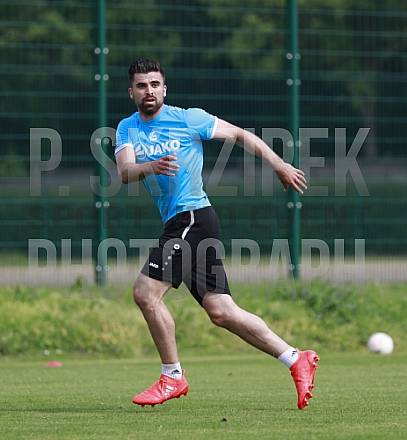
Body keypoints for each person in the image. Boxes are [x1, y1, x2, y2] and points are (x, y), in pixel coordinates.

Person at [115, 58, 319, 410]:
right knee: (221, 310)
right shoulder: (126, 128)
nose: (149, 91)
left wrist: (280, 165)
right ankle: (295, 358)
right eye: (142, 86)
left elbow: (240, 135)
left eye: (155, 84)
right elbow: (125, 172)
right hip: (183, 222)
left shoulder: (187, 119)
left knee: (145, 293)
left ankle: (172, 376)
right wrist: (151, 166)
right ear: (131, 92)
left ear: (165, 89)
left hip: (193, 218)